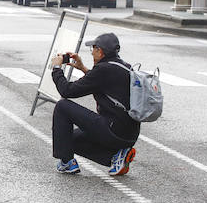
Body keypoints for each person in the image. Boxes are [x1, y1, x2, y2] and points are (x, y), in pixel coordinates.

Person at [49, 33, 140, 175]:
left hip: (113, 130)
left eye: (93, 49)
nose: (92, 53)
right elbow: (103, 83)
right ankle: (116, 156)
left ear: (100, 51)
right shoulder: (124, 66)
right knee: (67, 139)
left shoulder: (103, 70)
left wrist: (56, 69)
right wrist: (83, 68)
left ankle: (67, 162)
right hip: (128, 134)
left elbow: (67, 91)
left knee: (62, 106)